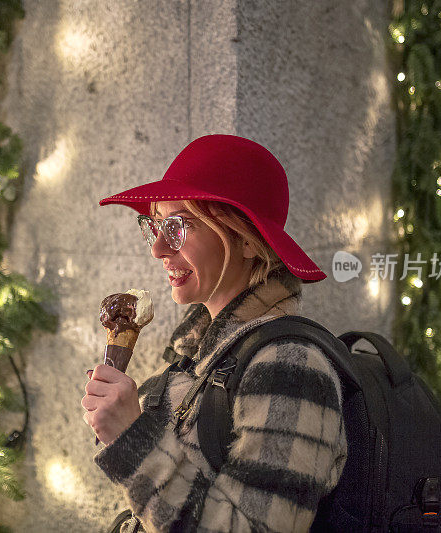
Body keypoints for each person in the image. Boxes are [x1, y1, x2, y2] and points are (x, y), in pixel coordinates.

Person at [82, 135, 347, 532]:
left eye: (177, 227)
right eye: (154, 225)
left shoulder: (291, 367)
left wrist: (133, 438)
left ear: (245, 239)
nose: (157, 248)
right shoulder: (200, 353)